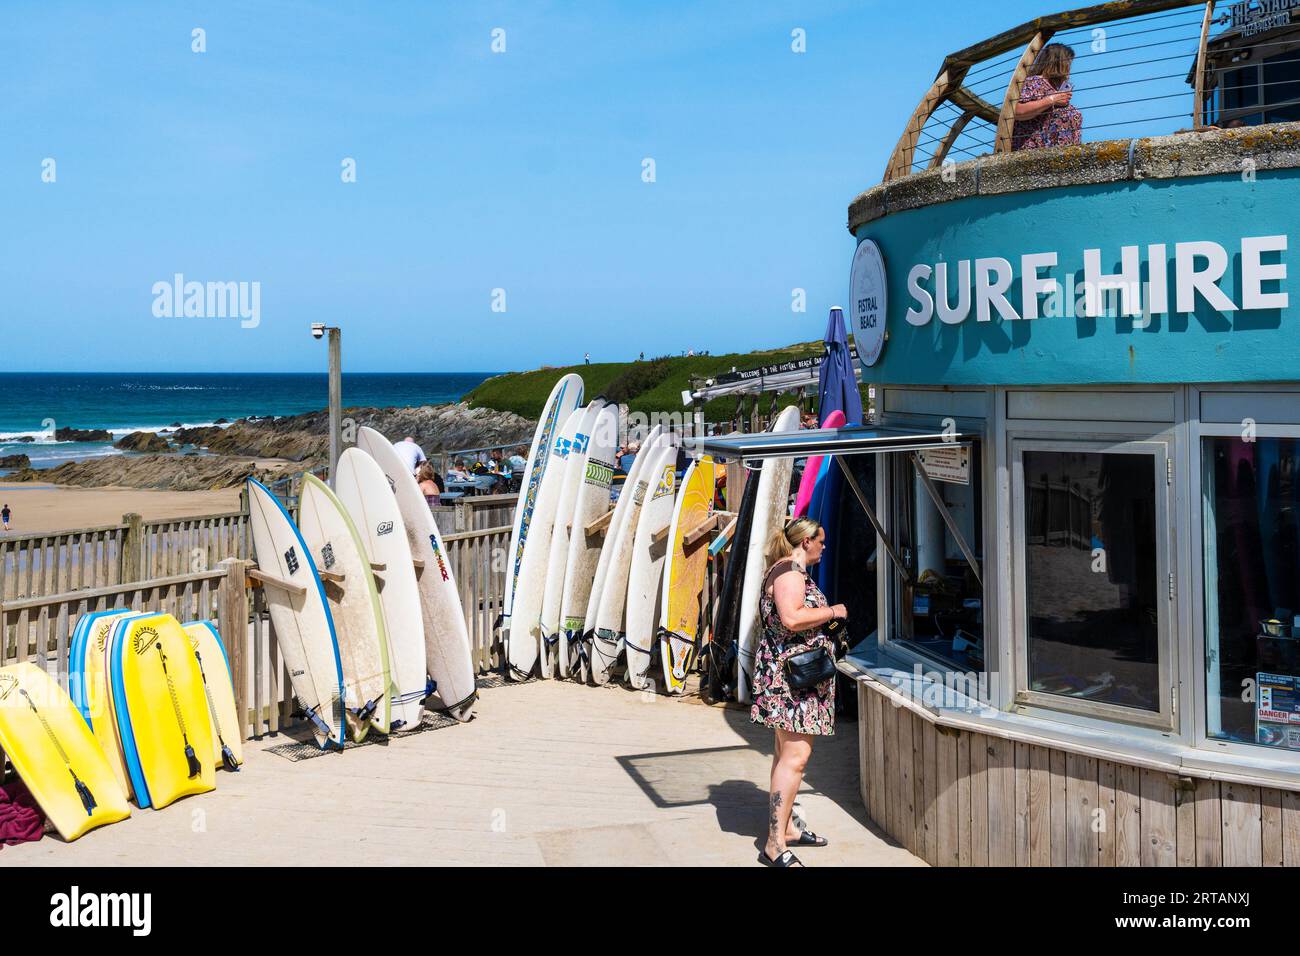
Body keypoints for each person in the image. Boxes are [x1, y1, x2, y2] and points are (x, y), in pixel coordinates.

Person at [752, 517, 847, 867]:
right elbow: (791, 618)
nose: (825, 547)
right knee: (796, 758)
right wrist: (834, 611)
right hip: (794, 681)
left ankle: (788, 828)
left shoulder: (784, 569)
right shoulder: (790, 572)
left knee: (784, 754)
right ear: (806, 541)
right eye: (821, 541)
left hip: (792, 677)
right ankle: (775, 844)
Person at [1011, 43, 1082, 151]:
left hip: (1064, 156)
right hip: (1036, 153)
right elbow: (1017, 112)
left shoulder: (1056, 87)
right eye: (1068, 63)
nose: (1069, 67)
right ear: (1058, 63)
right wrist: (1052, 100)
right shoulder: (1034, 82)